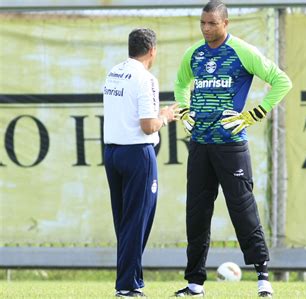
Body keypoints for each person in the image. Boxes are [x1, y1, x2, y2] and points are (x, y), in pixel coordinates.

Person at [173, 1, 292, 297]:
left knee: (242, 208)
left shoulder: (242, 51)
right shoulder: (194, 53)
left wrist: (254, 115)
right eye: (202, 22)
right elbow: (179, 83)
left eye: (212, 23)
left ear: (225, 23)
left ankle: (263, 277)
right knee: (197, 213)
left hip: (230, 145)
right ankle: (194, 283)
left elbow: (281, 81)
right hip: (200, 144)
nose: (206, 28)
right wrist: (185, 111)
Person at [103, 28, 178, 297]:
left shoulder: (114, 71)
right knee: (138, 220)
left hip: (112, 152)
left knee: (124, 221)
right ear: (152, 50)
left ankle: (127, 281)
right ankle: (128, 286)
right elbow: (148, 126)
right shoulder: (146, 78)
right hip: (137, 154)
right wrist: (166, 116)